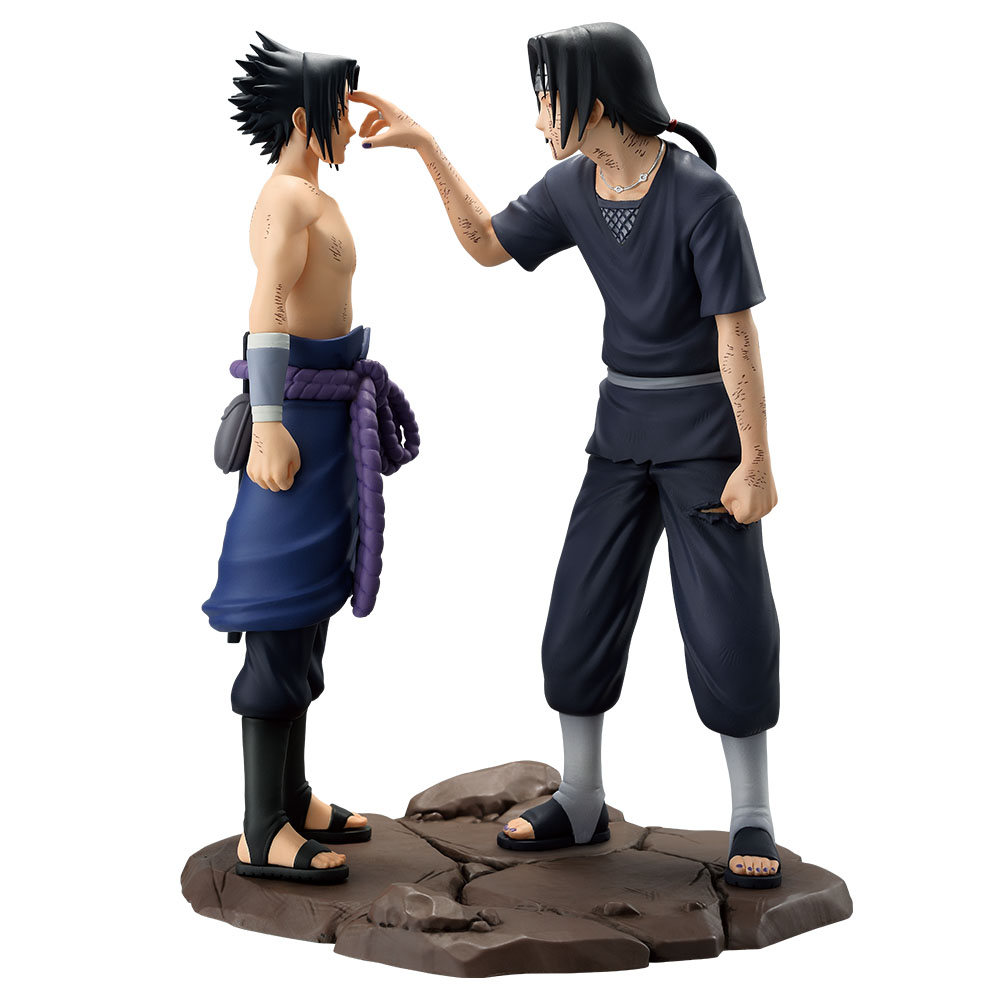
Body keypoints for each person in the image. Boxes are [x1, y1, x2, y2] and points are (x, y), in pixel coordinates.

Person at [353, 22, 782, 887]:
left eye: (547, 98)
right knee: (578, 615)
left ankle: (753, 813)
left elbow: (734, 332)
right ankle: (581, 798)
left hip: (704, 440)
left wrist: (757, 461)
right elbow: (487, 245)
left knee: (727, 626)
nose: (538, 116)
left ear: (597, 100)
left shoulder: (703, 198)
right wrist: (428, 148)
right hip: (619, 433)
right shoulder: (571, 187)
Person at [203, 33, 417, 885]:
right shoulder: (284, 200)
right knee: (278, 613)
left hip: (327, 423)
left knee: (309, 617)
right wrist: (266, 423)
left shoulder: (312, 194)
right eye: (339, 109)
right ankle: (262, 828)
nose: (349, 125)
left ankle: (290, 795)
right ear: (303, 118)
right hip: (292, 418)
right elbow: (267, 306)